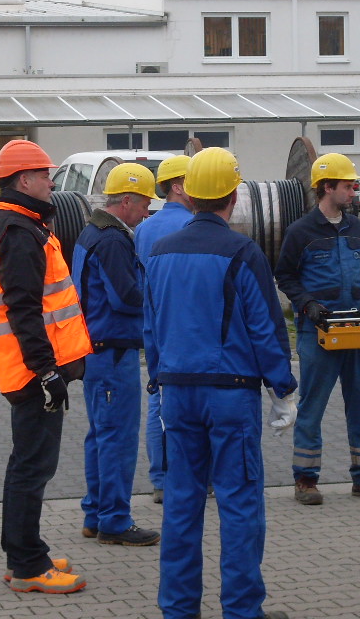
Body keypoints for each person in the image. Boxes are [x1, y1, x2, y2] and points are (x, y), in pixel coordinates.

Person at [145, 147, 297, 619]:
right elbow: (265, 327)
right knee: (239, 508)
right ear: (234, 196)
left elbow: (151, 327)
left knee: (182, 509)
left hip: (177, 395)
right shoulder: (242, 252)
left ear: (188, 194)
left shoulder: (159, 252)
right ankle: (242, 610)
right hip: (230, 396)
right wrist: (283, 388)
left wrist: (158, 375)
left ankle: (178, 610)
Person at [0, 139, 92, 594]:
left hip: (28, 371)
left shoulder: (19, 226)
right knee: (32, 466)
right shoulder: (20, 234)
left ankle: (24, 552)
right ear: (25, 180)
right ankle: (28, 566)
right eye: (46, 174)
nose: (52, 181)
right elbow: (23, 310)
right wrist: (47, 372)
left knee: (27, 464)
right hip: (33, 375)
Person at [274, 152, 360, 506]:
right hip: (318, 333)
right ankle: (306, 480)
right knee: (312, 407)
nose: (353, 191)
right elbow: (286, 276)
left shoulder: (357, 229)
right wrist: (308, 305)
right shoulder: (300, 232)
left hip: (357, 331)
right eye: (347, 185)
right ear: (326, 187)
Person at [72, 162, 161, 547]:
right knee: (118, 439)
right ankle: (114, 520)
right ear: (126, 200)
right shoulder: (112, 240)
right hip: (112, 353)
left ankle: (95, 513)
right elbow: (125, 296)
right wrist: (161, 304)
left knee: (100, 435)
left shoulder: (91, 233)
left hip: (94, 351)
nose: (147, 211)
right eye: (144, 203)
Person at [134, 155, 194, 504]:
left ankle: (160, 479)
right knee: (193, 402)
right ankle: (195, 474)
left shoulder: (143, 229)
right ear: (178, 186)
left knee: (158, 399)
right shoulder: (194, 225)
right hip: (190, 328)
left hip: (154, 326)